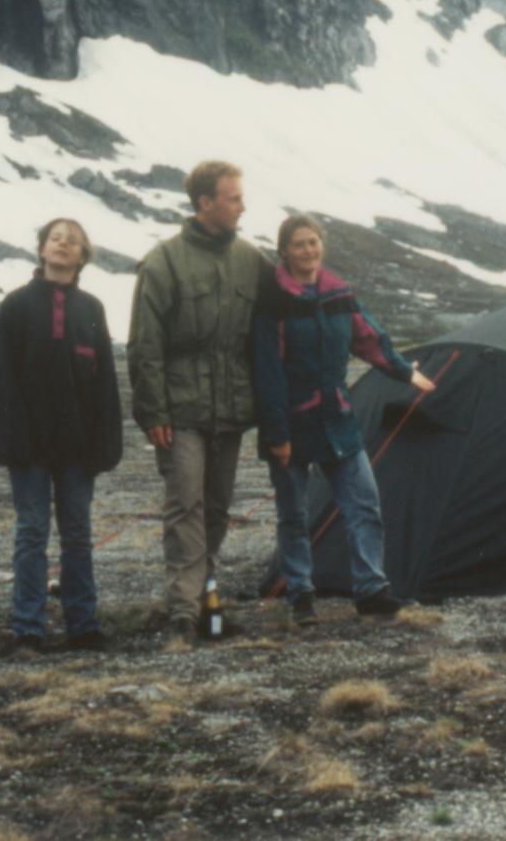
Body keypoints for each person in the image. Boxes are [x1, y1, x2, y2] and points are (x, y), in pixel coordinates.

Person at [254, 214, 435, 624]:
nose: (308, 250)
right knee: (293, 515)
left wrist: (404, 371)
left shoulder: (338, 294)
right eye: (299, 244)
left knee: (363, 504)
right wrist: (277, 434)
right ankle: (300, 594)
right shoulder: (273, 302)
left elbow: (368, 338)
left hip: (336, 418)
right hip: (291, 421)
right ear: (284, 251)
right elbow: (267, 371)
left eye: (313, 242)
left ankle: (371, 589)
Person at [128, 161, 267, 641]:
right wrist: (154, 412)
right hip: (181, 412)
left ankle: (209, 602)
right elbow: (145, 343)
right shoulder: (164, 261)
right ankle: (183, 614)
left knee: (217, 508)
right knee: (185, 503)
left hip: (230, 412)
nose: (242, 205)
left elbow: (282, 320)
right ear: (205, 203)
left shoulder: (252, 260)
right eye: (233, 197)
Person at [0, 218, 122, 651]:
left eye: (73, 241)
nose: (63, 245)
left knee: (78, 532)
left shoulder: (92, 310)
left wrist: (105, 444)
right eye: (56, 238)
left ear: (83, 255)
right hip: (28, 447)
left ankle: (83, 624)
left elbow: (105, 385)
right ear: (42, 249)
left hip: (78, 449)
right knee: (32, 532)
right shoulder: (16, 305)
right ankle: (28, 626)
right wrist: (11, 440)